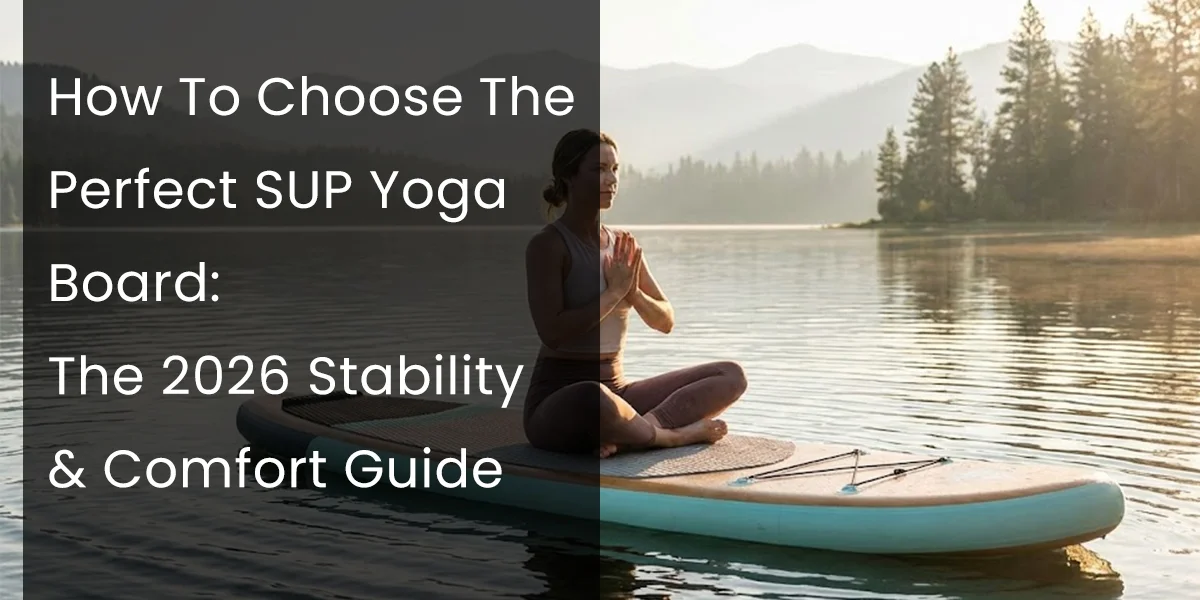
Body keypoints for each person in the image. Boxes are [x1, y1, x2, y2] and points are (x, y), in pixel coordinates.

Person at [522, 128, 748, 458]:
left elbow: (665, 320)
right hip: (562, 400)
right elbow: (553, 333)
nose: (610, 179)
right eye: (598, 170)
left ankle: (642, 428)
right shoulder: (548, 245)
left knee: (730, 375)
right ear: (568, 176)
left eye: (615, 170)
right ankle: (670, 437)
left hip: (620, 394)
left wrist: (634, 295)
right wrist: (613, 294)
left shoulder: (623, 245)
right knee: (594, 397)